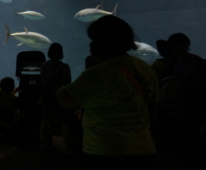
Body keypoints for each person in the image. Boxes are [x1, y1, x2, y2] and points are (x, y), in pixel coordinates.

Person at [57, 15, 159, 170]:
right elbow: (153, 103)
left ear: (102, 43)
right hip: (144, 148)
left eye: (95, 40)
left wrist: (61, 87)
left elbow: (66, 100)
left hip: (105, 151)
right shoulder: (144, 68)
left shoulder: (100, 72)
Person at [39, 43, 72, 152]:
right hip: (61, 97)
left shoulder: (44, 65)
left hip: (48, 96)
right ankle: (67, 145)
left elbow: (43, 82)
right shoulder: (65, 66)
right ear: (61, 53)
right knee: (65, 122)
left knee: (45, 120)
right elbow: (68, 83)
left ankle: (43, 143)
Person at [0, 77, 19, 143]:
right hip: (8, 123)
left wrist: (14, 91)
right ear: (12, 86)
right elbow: (10, 96)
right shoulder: (14, 98)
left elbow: (6, 94)